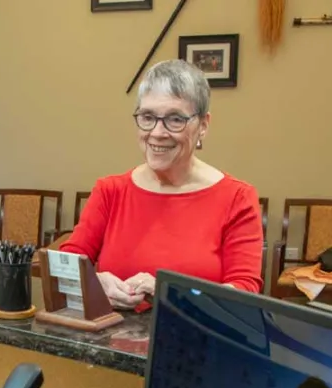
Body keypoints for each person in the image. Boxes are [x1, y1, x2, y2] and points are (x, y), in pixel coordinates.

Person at [61, 59, 264, 309]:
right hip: (112, 342)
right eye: (148, 117)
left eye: (175, 119)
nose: (157, 132)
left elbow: (244, 291)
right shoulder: (110, 191)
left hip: (197, 342)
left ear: (203, 125)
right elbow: (66, 264)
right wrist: (94, 282)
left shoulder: (237, 198)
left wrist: (170, 293)